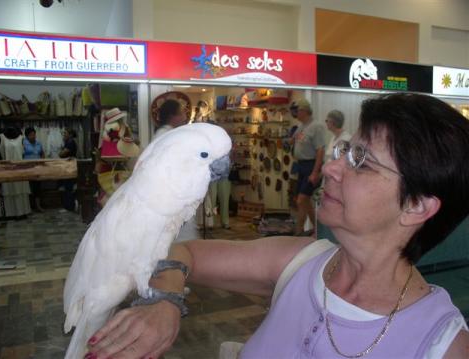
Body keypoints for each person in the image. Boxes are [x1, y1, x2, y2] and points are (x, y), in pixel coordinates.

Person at [85, 93, 469, 359]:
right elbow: (178, 251)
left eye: (362, 161)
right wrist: (165, 300)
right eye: (344, 151)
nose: (332, 168)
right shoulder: (301, 261)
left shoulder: (443, 344)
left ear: (417, 206)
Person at [290, 99, 325, 235]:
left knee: (301, 200)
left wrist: (315, 172)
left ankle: (298, 233)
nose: (294, 114)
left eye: (296, 111)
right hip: (301, 166)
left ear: (303, 111)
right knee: (305, 201)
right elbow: (293, 140)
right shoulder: (302, 126)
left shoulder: (316, 126)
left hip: (311, 166)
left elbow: (320, 150)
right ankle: (318, 230)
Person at [23, 127, 45, 212]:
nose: (33, 136)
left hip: (37, 169)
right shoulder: (23, 143)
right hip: (27, 169)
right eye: (31, 135)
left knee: (37, 187)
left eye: (34, 134)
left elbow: (42, 153)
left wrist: (43, 160)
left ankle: (38, 206)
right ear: (27, 136)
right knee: (28, 188)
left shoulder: (38, 143)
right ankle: (28, 207)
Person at [59, 128, 77, 211]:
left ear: (70, 134)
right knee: (68, 187)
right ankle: (69, 206)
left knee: (68, 188)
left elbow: (62, 154)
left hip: (69, 167)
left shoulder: (70, 142)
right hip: (69, 167)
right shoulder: (69, 142)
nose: (63, 135)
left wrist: (60, 151)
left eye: (65, 133)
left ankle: (69, 207)